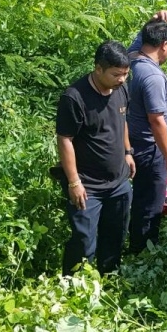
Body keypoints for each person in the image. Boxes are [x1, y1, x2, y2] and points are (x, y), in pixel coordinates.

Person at [55, 41, 136, 274]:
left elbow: (122, 122)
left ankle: (109, 279)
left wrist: (128, 152)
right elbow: (65, 140)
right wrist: (73, 182)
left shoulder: (121, 89)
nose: (121, 79)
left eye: (125, 74)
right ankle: (73, 288)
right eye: (116, 74)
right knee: (83, 242)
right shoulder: (74, 97)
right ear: (98, 69)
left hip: (118, 182)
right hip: (87, 185)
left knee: (115, 235)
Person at [126, 20, 167, 253]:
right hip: (150, 149)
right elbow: (156, 120)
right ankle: (143, 251)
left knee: (140, 198)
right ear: (165, 45)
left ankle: (136, 245)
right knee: (150, 203)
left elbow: (135, 43)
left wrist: (153, 21)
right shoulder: (152, 77)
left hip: (135, 143)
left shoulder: (131, 61)